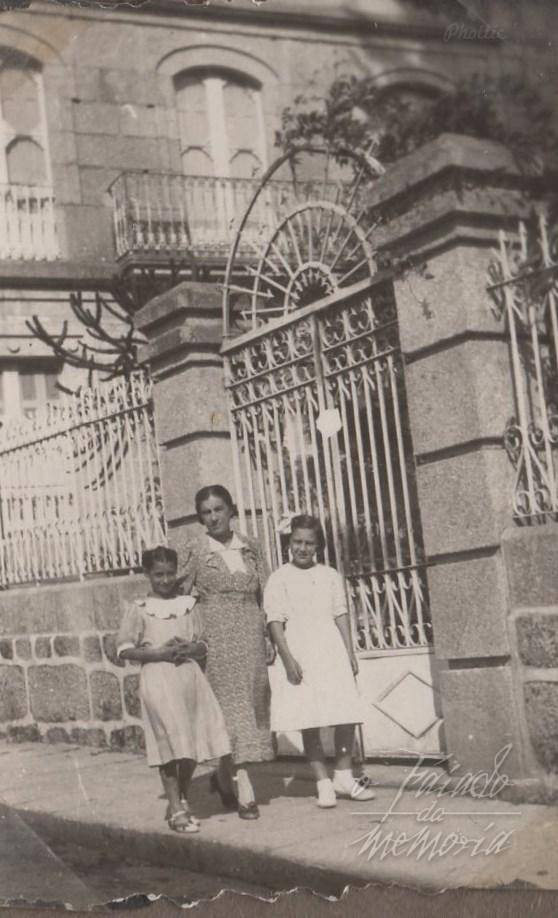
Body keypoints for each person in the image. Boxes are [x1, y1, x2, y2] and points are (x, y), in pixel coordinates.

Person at [117, 545, 231, 833]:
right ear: (147, 574)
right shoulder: (139, 609)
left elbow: (204, 644)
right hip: (158, 680)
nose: (166, 580)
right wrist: (158, 653)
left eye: (170, 573)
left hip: (189, 679)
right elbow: (124, 649)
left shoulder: (188, 605)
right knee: (168, 743)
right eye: (158, 575)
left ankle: (179, 798)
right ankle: (177, 809)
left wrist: (190, 648)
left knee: (191, 743)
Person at [265, 514, 376, 808]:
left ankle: (343, 776)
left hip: (330, 650)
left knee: (345, 713)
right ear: (289, 542)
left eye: (309, 543)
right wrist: (287, 659)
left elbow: (340, 613)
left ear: (318, 546)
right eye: (297, 542)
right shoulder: (279, 578)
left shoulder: (330, 575)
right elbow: (275, 622)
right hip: (299, 651)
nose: (302, 548)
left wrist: (349, 652)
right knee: (309, 718)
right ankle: (322, 782)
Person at [182, 484, 274, 820]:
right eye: (206, 512)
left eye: (218, 509)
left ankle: (223, 777)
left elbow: (267, 594)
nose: (213, 517)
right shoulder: (196, 550)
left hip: (251, 638)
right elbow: (181, 596)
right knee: (230, 713)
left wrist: (269, 636)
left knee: (250, 708)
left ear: (231, 510)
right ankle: (245, 791)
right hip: (217, 642)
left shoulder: (251, 547)